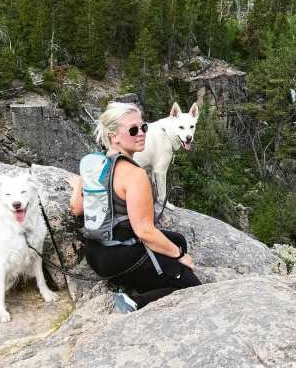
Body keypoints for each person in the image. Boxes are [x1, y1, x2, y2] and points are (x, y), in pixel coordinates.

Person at [69, 102, 201, 310]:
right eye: (133, 130)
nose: (141, 134)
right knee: (191, 286)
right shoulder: (135, 175)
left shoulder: (97, 164)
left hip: (95, 252)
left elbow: (76, 209)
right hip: (120, 256)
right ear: (113, 136)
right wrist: (180, 256)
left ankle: (129, 282)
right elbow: (145, 231)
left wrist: (78, 185)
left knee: (178, 239)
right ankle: (133, 302)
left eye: (144, 127)